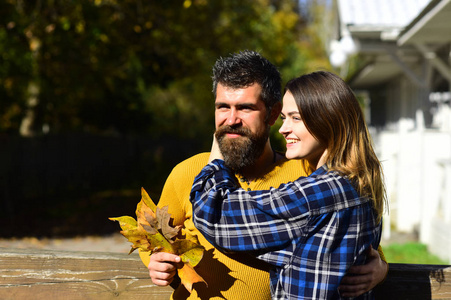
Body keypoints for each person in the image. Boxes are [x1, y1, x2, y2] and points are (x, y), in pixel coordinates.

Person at [140, 51, 388, 299]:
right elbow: (149, 233)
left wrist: (380, 266)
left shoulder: (304, 173)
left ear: (271, 113)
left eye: (245, 108)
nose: (231, 119)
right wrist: (155, 259)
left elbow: (344, 236)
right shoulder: (188, 171)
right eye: (223, 107)